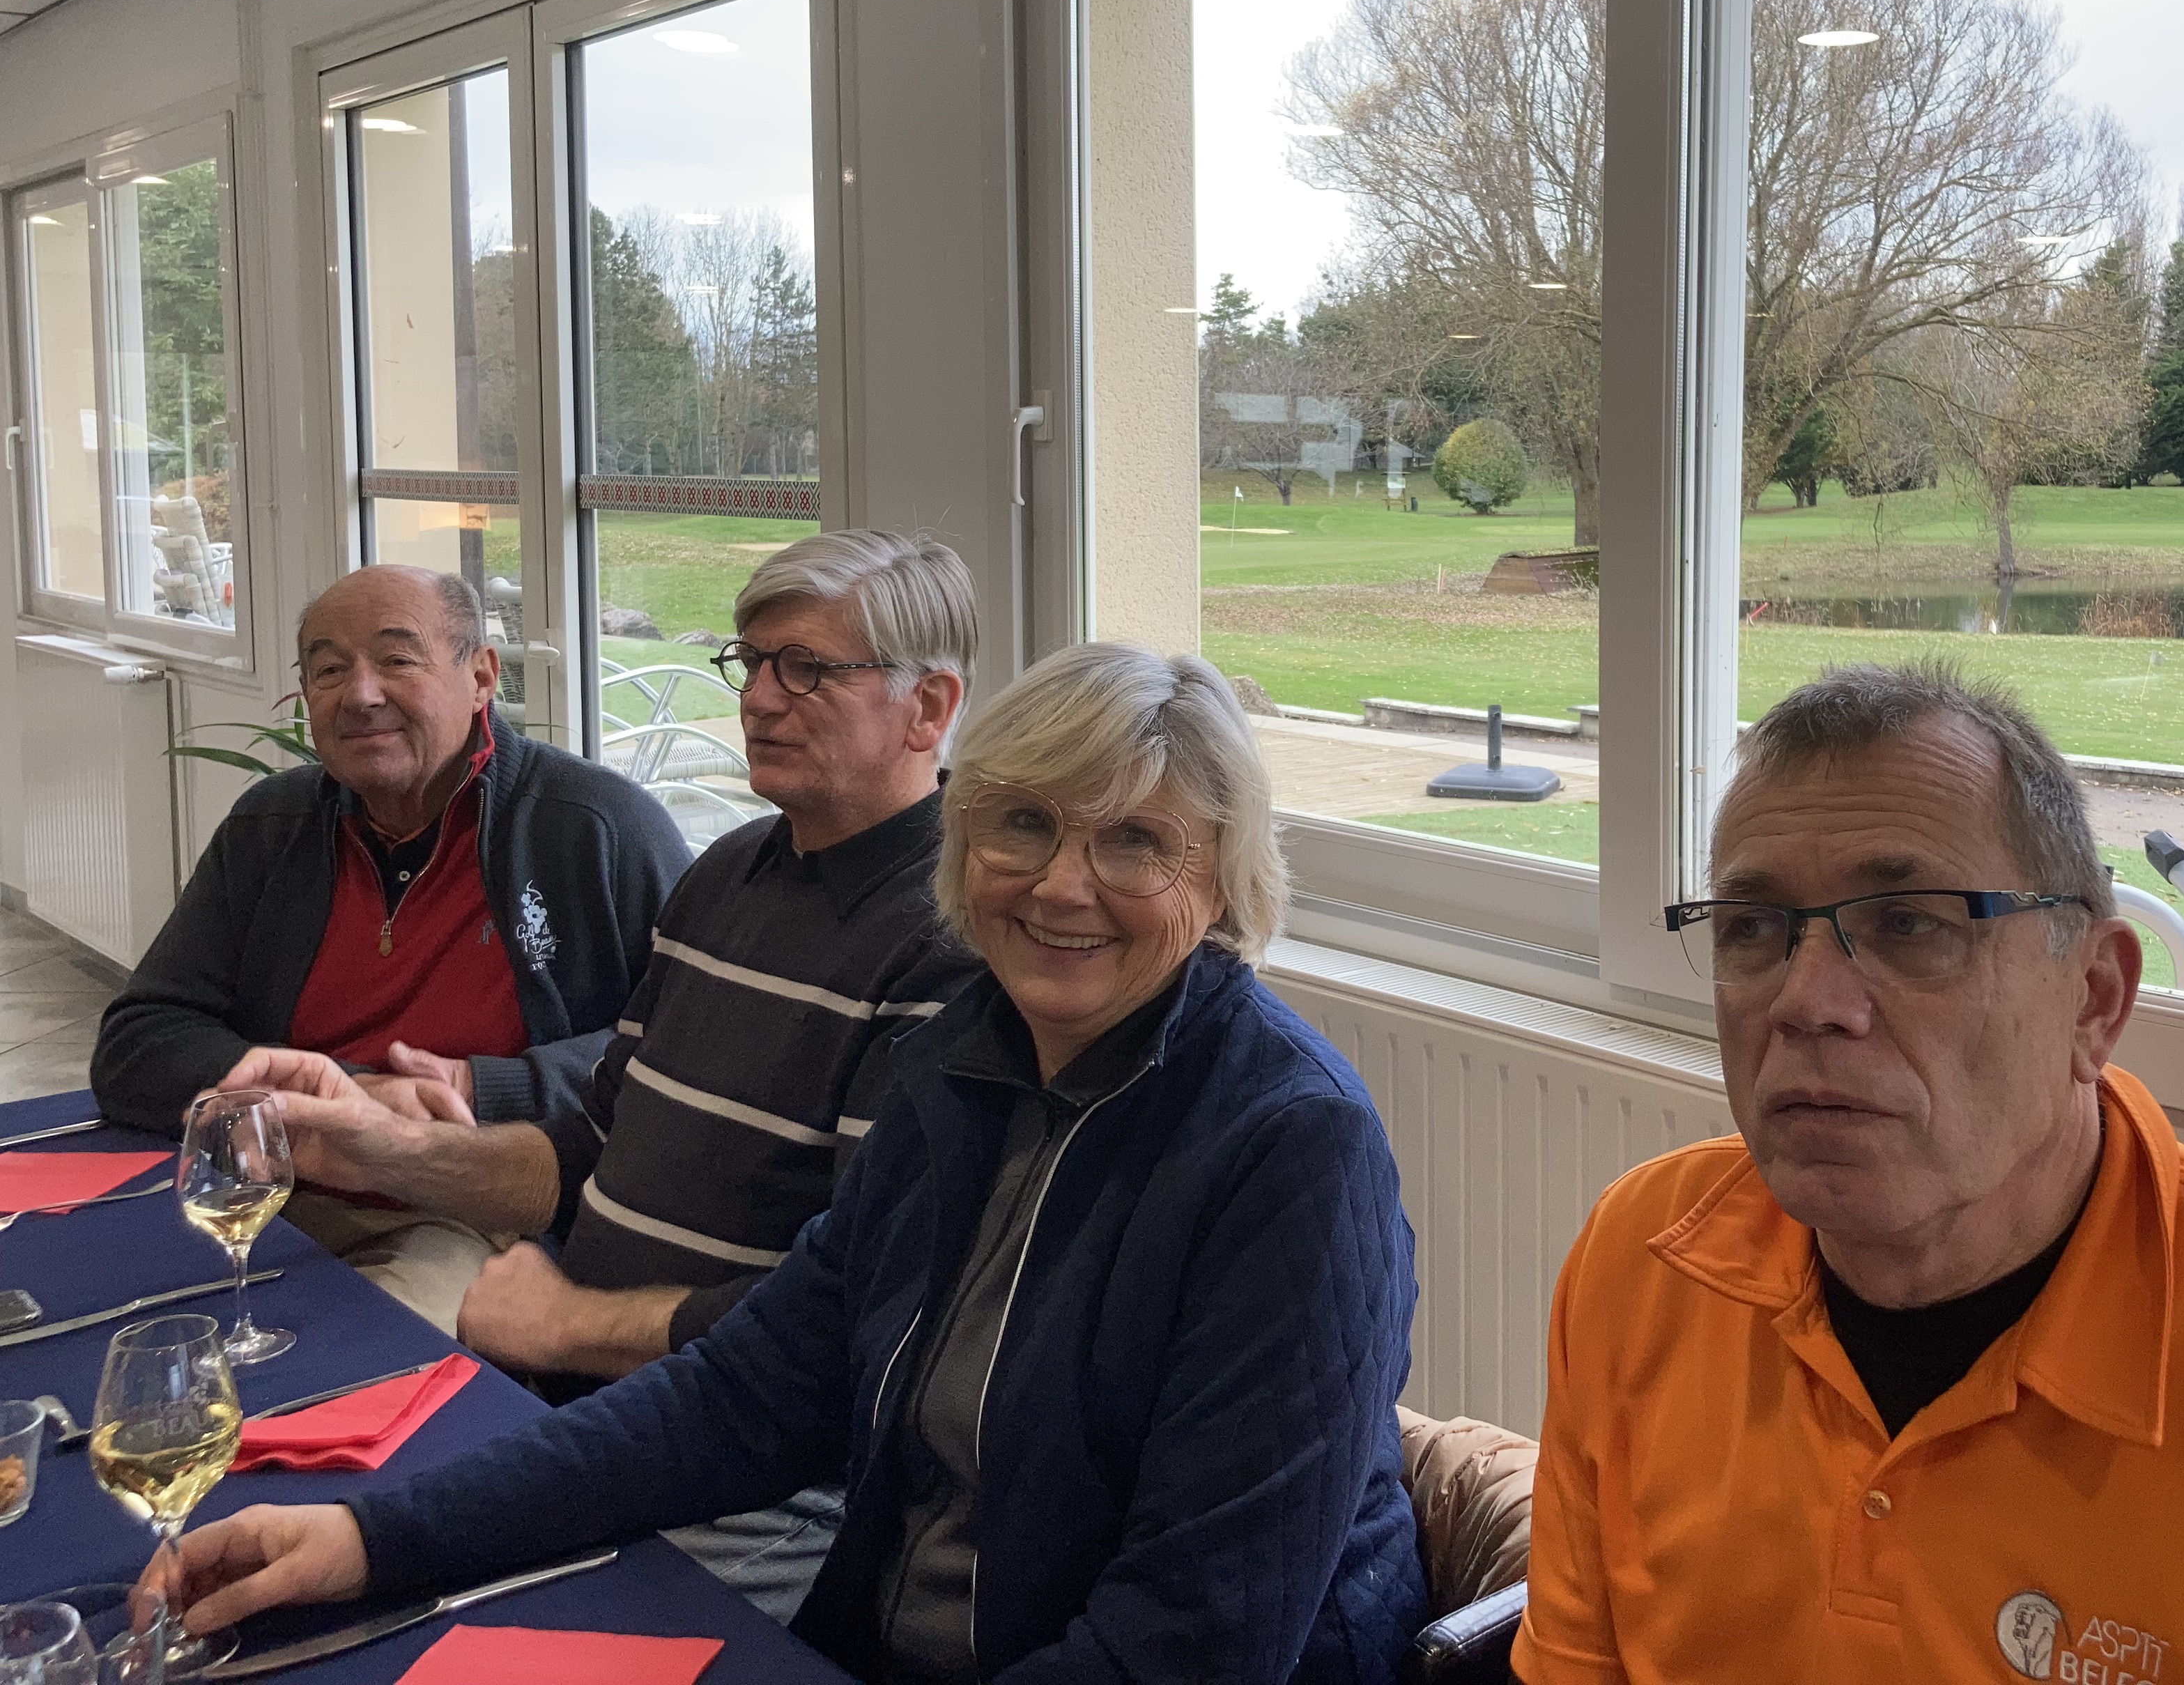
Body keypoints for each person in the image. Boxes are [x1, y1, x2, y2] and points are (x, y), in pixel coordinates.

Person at [157, 643, 1429, 1684]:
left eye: (1136, 842)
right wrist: (374, 1535)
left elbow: (1197, 1637)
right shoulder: (958, 1067)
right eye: (1024, 824)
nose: (1061, 884)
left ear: (1226, 879)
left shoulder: (1288, 1145)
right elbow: (743, 1396)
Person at [1516, 660, 2184, 1685]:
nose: (1807, 1002)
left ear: (2094, 1000)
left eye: (1908, 925)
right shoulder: (1641, 1265)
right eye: (1753, 928)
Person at [212, 530, 987, 1619]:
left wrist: (571, 1322)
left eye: (807, 669)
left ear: (928, 707)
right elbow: (588, 1148)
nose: (759, 698)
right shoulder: (729, 873)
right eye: (750, 662)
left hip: (744, 1478)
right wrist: (392, 1151)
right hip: (571, 1409)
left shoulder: (950, 941)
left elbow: (860, 1315)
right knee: (248, 1515)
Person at [90, 563, 686, 1331]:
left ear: (482, 677)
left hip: (463, 1207)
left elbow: (688, 1055)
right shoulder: (272, 828)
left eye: (398, 659)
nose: (361, 694)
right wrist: (347, 1101)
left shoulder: (595, 829)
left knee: (339, 1372)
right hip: (265, 1187)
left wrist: (480, 1089)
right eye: (329, 670)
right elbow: (138, 1043)